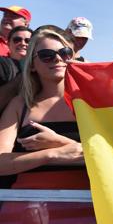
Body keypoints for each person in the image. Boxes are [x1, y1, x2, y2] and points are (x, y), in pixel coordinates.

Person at [0, 28, 94, 221]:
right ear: (32, 64)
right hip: (26, 207)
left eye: (64, 53)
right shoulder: (20, 105)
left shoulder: (90, 101)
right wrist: (54, 153)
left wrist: (58, 141)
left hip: (87, 204)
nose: (58, 59)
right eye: (46, 55)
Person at [0, 26, 33, 113]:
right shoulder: (2, 64)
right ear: (8, 44)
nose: (23, 43)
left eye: (28, 41)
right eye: (17, 40)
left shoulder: (41, 68)